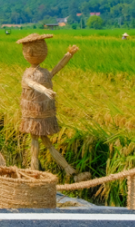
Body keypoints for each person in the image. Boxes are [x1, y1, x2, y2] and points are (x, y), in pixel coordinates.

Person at [16, 33, 89, 181]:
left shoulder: (43, 72)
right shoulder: (28, 73)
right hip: (34, 114)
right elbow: (31, 83)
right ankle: (43, 173)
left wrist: (68, 55)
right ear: (29, 52)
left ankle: (62, 171)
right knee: (41, 142)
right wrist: (44, 90)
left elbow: (56, 69)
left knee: (43, 142)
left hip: (43, 113)